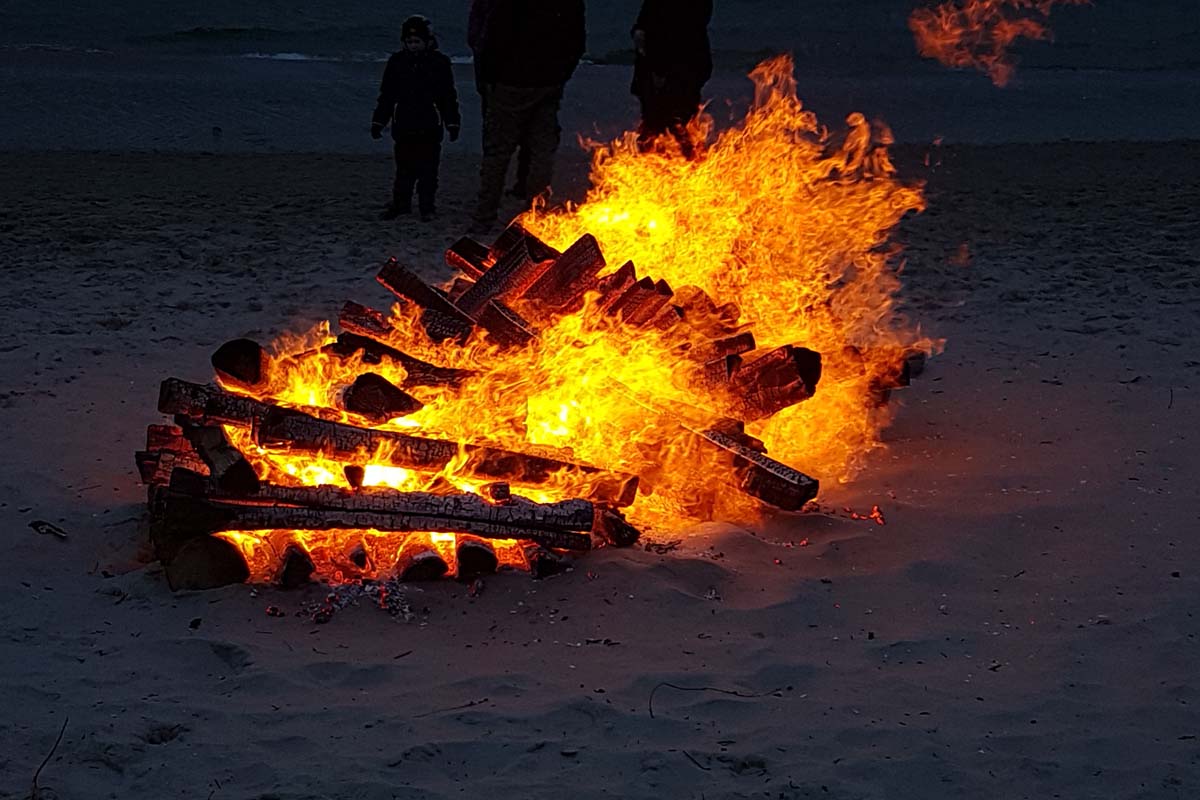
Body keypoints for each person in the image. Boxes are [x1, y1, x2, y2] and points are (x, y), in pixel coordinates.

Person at [469, 0, 585, 234]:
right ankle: (536, 214)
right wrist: (561, 74)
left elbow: (490, 36)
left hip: (512, 82)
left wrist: (488, 78)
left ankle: (486, 216)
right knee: (541, 149)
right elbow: (576, 40)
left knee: (498, 152)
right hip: (546, 80)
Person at [371, 15, 461, 221]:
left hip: (430, 125)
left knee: (428, 169)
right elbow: (387, 95)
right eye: (409, 42)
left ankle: (427, 206)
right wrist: (378, 121)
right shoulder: (396, 62)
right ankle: (401, 204)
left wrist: (453, 123)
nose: (413, 46)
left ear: (428, 41)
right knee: (404, 168)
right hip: (403, 124)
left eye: (417, 41)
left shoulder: (439, 63)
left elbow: (448, 96)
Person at [630, 0, 714, 157]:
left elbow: (685, 27)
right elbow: (648, 19)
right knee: (658, 124)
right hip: (667, 66)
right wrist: (639, 32)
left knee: (675, 122)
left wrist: (660, 69)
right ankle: (663, 165)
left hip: (678, 67)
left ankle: (686, 163)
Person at [468, 0, 531, 198]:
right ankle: (493, 188)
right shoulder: (486, 8)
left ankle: (520, 185)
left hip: (515, 81)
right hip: (495, 82)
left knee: (519, 137)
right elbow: (477, 39)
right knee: (495, 138)